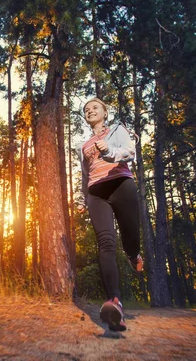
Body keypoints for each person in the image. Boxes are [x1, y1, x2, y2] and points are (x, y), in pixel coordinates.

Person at [76, 97, 143, 332]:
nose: (90, 111)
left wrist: (109, 151)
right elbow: (85, 175)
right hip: (97, 193)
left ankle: (134, 254)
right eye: (86, 110)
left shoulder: (118, 130)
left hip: (121, 183)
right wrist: (82, 199)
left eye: (95, 107)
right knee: (106, 242)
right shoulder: (83, 146)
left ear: (105, 112)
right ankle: (114, 302)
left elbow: (129, 153)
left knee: (130, 235)